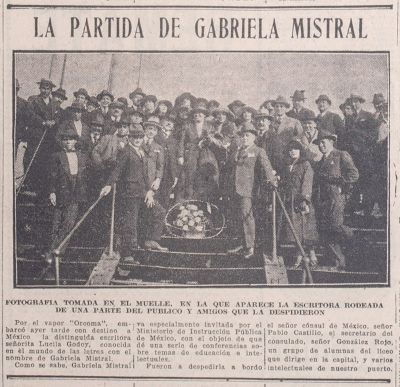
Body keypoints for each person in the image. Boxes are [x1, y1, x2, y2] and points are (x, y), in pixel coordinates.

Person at [100, 126, 168, 260]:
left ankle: (150, 240)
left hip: (142, 192)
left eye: (140, 137)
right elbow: (117, 171)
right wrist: (108, 185)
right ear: (129, 138)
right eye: (134, 137)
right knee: (130, 223)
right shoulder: (126, 151)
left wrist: (149, 192)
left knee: (159, 212)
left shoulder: (141, 151)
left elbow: (144, 175)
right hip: (130, 193)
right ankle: (128, 253)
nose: (137, 140)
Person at [228, 123, 277, 259]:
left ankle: (250, 247)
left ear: (254, 137)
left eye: (247, 135)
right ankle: (241, 244)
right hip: (234, 189)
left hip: (248, 190)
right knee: (237, 217)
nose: (244, 138)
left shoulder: (258, 151)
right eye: (242, 136)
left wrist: (272, 181)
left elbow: (267, 167)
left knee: (247, 217)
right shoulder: (237, 151)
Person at [313, 132, 359, 270]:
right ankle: (338, 261)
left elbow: (354, 174)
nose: (321, 145)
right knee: (326, 230)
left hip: (337, 198)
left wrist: (341, 186)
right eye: (319, 143)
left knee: (335, 226)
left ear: (331, 142)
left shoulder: (340, 155)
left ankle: (355, 238)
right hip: (324, 200)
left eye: (324, 142)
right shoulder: (321, 161)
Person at [45, 127, 88, 263]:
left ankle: (55, 252)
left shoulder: (82, 156)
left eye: (71, 139)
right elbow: (51, 176)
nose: (68, 142)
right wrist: (52, 192)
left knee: (69, 223)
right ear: (62, 142)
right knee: (56, 224)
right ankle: (53, 252)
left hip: (76, 193)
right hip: (61, 192)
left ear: (76, 141)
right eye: (65, 139)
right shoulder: (57, 156)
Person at [280, 140, 318, 267]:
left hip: (301, 201)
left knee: (306, 228)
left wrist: (304, 199)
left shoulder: (305, 164)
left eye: (295, 149)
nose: (292, 152)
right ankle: (300, 253)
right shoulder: (288, 165)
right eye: (290, 150)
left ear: (300, 151)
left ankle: (311, 254)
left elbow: (307, 182)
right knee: (296, 229)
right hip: (290, 200)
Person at [25, 78, 61, 199]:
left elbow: (58, 117)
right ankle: (30, 185)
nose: (45, 91)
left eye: (48, 89)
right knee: (33, 158)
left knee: (45, 161)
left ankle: (42, 189)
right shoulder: (33, 100)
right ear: (40, 88)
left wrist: (53, 122)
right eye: (43, 88)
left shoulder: (54, 103)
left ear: (51, 90)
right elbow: (30, 115)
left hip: (48, 138)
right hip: (36, 135)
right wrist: (43, 122)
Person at [178, 101, 213, 199]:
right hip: (191, 153)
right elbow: (182, 142)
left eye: (200, 114)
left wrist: (206, 142)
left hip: (205, 153)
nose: (198, 115)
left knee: (204, 176)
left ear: (204, 115)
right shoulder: (187, 126)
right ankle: (190, 199)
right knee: (190, 176)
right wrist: (180, 156)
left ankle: (203, 200)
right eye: (196, 114)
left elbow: (212, 140)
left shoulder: (209, 126)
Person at [267, 96, 303, 175]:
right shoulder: (270, 123)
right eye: (276, 106)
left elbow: (300, 139)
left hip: (288, 159)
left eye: (281, 106)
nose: (279, 108)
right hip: (273, 160)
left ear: (286, 108)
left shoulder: (294, 122)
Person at [155, 114, 180, 209]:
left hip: (169, 173)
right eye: (166, 120)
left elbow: (176, 160)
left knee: (165, 199)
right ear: (161, 122)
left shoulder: (175, 140)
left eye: (172, 122)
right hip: (156, 172)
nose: (169, 123)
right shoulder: (156, 136)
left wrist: (176, 175)